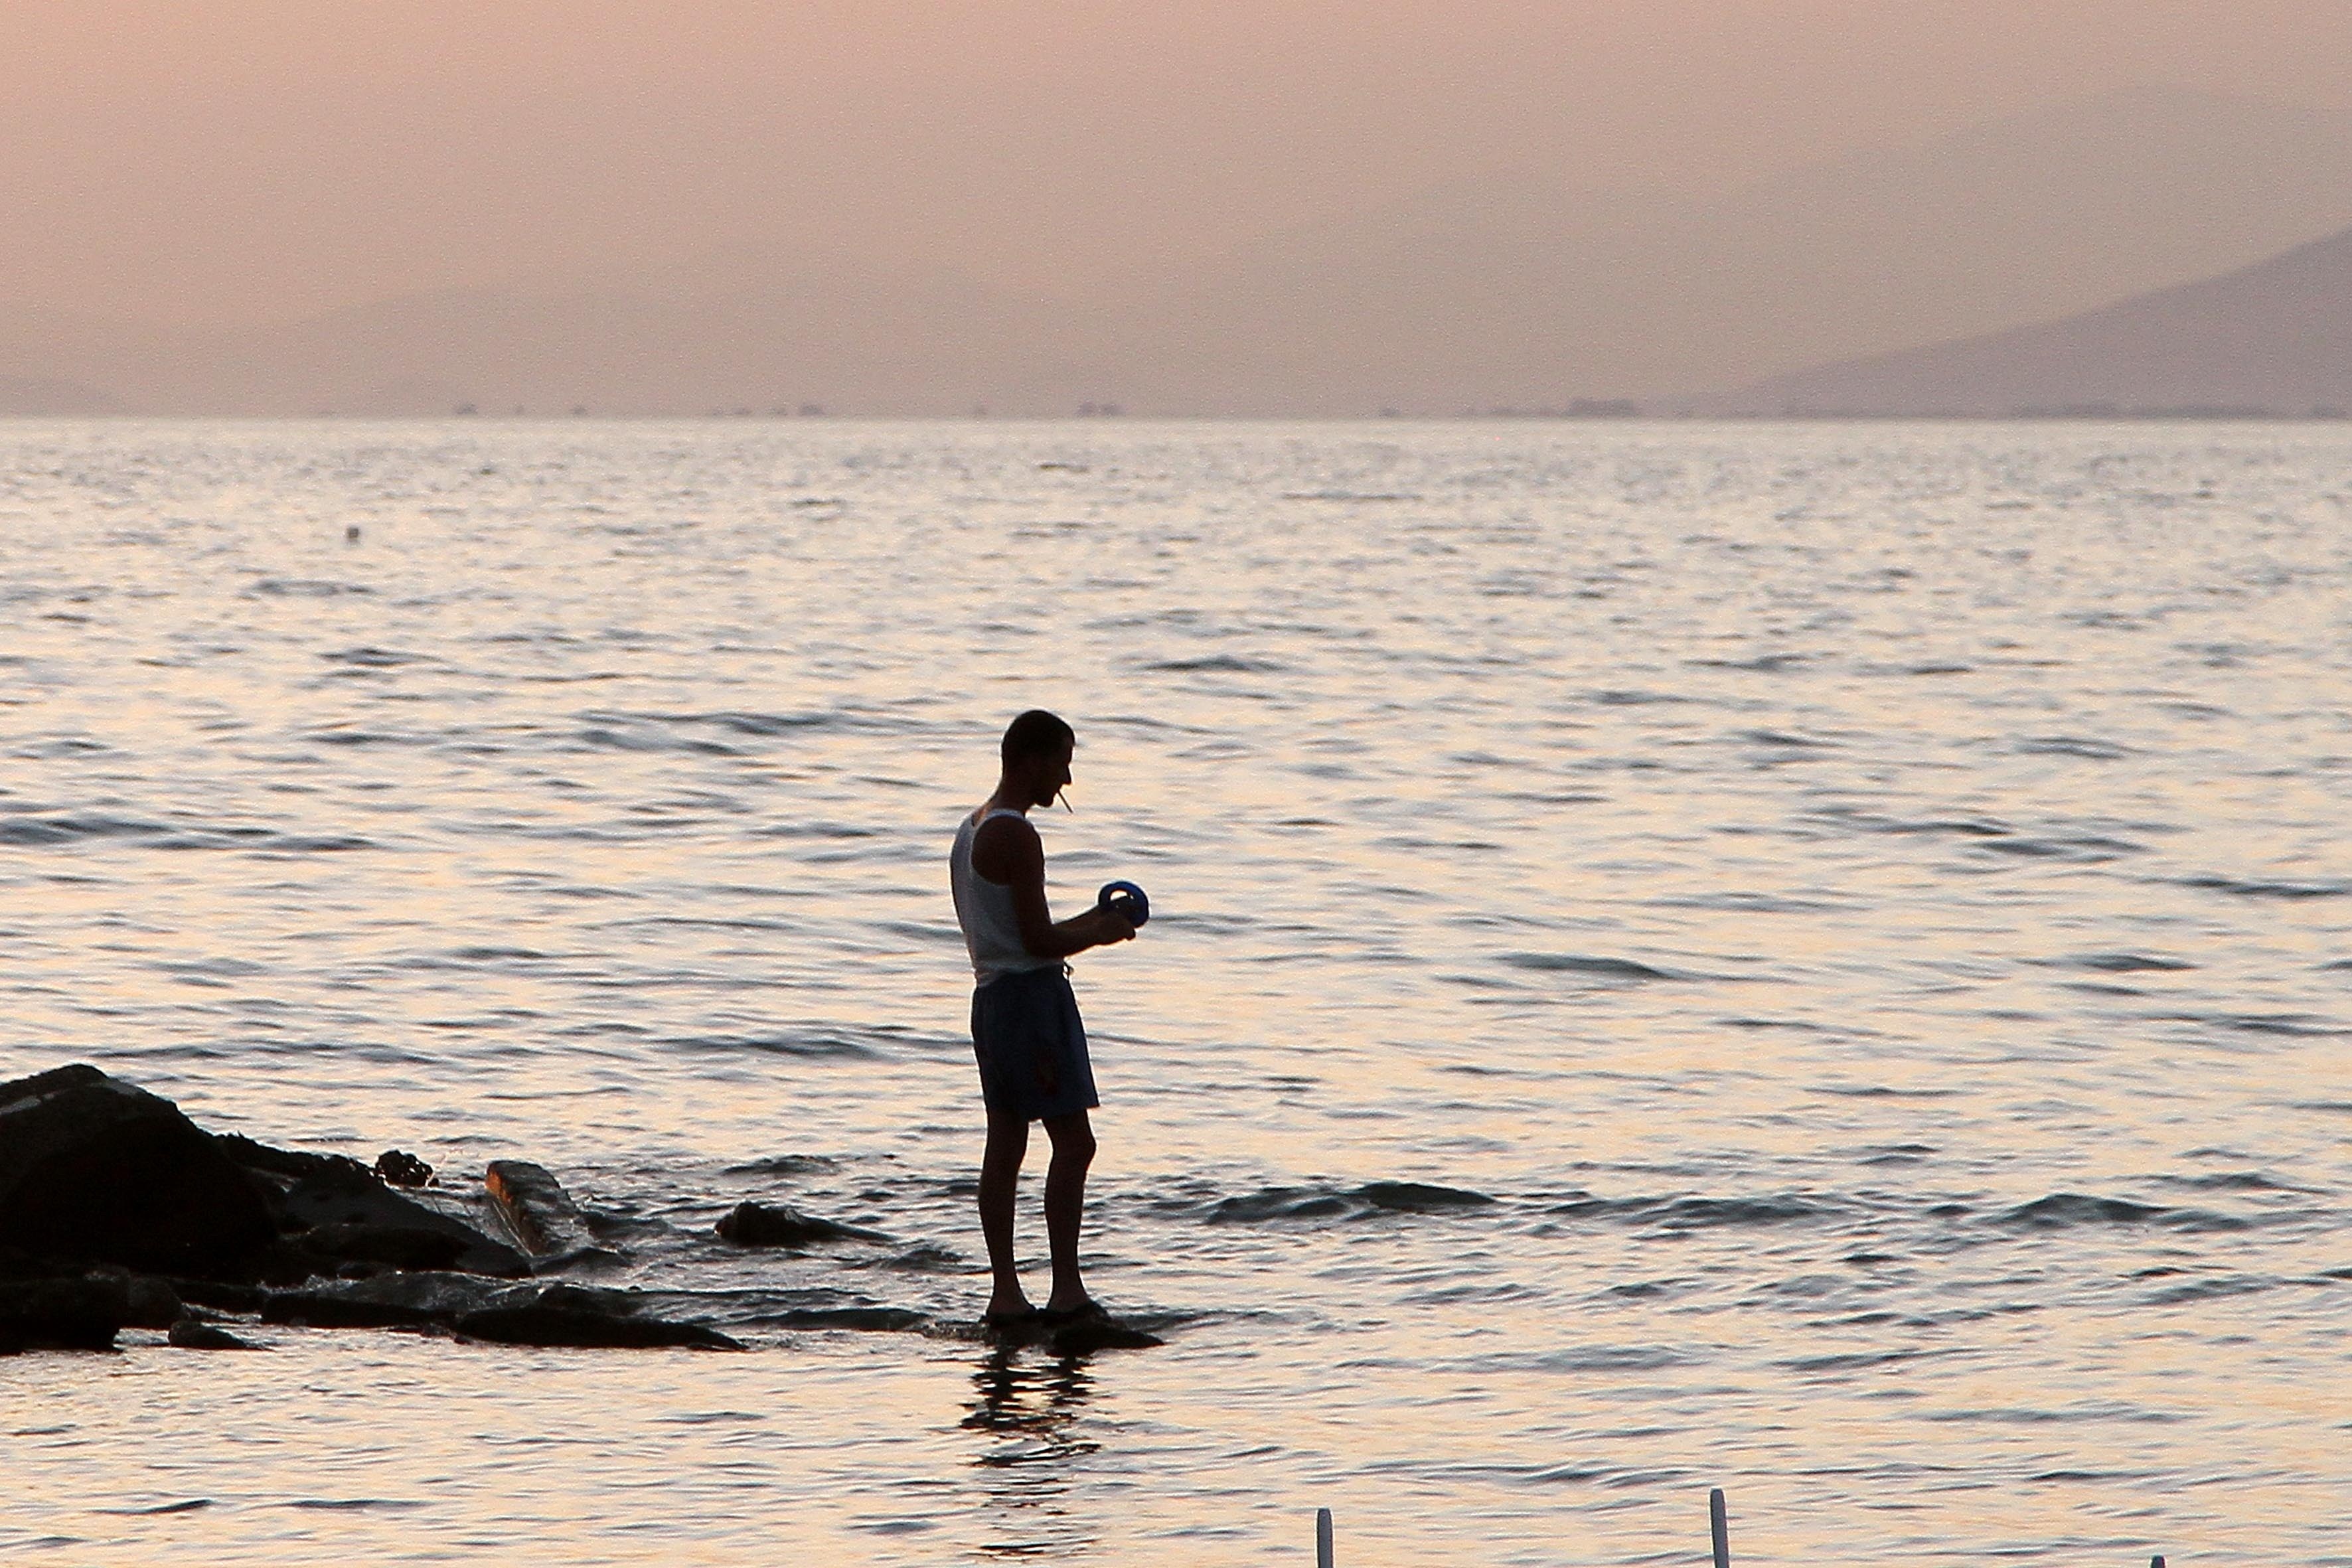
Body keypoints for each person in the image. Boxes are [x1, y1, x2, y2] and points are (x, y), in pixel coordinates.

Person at [949, 709, 1138, 1324]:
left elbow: (1015, 934)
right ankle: (1065, 1291)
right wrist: (1099, 936)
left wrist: (1094, 922)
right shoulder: (1017, 835)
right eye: (1062, 761)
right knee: (1074, 1143)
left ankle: (1005, 1295)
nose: (1067, 778)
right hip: (1031, 1004)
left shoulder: (970, 828)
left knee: (1005, 1146)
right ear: (1030, 760)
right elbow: (1035, 943)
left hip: (991, 1002)